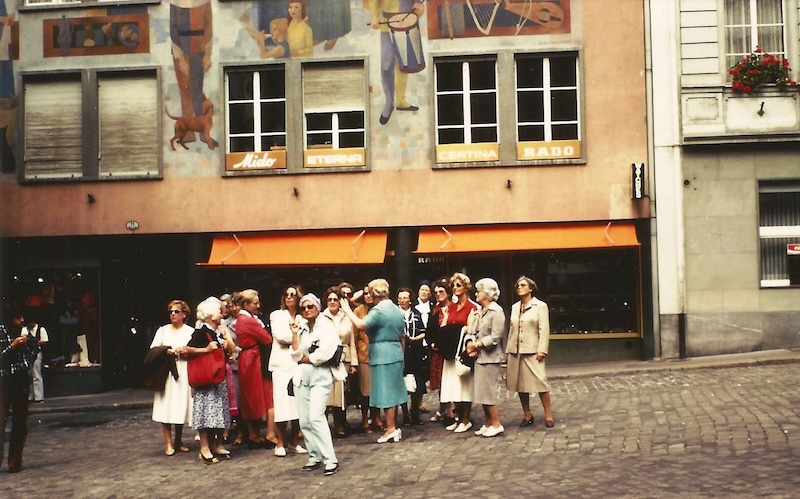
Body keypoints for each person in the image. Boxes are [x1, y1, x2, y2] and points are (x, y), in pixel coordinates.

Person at [341, 278, 406, 444]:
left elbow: (361, 324)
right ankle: (394, 427)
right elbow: (402, 335)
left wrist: (347, 310)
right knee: (394, 391)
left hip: (381, 353)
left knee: (386, 392)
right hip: (395, 351)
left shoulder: (378, 311)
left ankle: (391, 429)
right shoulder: (395, 308)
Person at [290, 293, 343, 476]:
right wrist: (294, 334)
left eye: (310, 306)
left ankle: (330, 459)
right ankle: (314, 455)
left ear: (317, 307)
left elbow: (324, 354)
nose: (306, 310)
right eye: (303, 308)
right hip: (302, 375)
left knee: (316, 416)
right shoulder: (302, 328)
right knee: (304, 420)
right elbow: (295, 354)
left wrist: (306, 358)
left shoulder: (326, 326)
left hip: (320, 375)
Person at [184, 298, 236, 464]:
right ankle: (205, 448)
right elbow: (186, 350)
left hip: (218, 379)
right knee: (205, 415)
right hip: (206, 380)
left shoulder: (217, 331)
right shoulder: (201, 332)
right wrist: (206, 350)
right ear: (212, 315)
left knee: (219, 414)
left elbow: (231, 349)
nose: (222, 314)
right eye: (219, 311)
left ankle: (216, 445)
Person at [507, 276, 554, 428]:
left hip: (533, 350)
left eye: (523, 285)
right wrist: (509, 351)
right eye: (517, 285)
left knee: (541, 382)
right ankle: (527, 414)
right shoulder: (515, 307)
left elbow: (544, 329)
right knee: (520, 384)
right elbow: (511, 330)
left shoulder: (540, 306)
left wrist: (542, 350)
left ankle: (548, 414)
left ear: (531, 288)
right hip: (516, 351)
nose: (519, 287)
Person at [369, 0, 425, 125]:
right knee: (386, 65)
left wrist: (420, 8)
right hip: (386, 22)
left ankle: (400, 100)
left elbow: (419, 4)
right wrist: (374, 16)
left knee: (404, 63)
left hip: (407, 21)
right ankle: (389, 102)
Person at [149, 300, 194, 456]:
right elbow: (153, 349)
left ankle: (178, 440)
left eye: (176, 311)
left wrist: (186, 351)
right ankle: (168, 442)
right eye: (171, 312)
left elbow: (195, 349)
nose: (173, 314)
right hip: (166, 371)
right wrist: (165, 351)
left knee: (180, 405)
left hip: (183, 370)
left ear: (184, 314)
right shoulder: (163, 330)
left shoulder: (190, 331)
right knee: (166, 405)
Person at [268, 285, 308, 457]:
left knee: (298, 403)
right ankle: (280, 443)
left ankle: (294, 442)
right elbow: (281, 336)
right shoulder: (277, 315)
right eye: (287, 294)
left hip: (298, 363)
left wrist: (296, 336)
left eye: (293, 294)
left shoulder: (303, 317)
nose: (289, 297)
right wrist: (296, 336)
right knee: (282, 403)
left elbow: (307, 339)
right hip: (282, 365)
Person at [465, 278, 506, 437]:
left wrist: (477, 345)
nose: (476, 293)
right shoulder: (478, 311)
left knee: (488, 392)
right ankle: (488, 422)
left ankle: (496, 423)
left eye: (479, 291)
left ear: (488, 293)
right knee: (481, 392)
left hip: (490, 358)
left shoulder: (496, 312)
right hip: (478, 358)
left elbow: (496, 337)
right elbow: (471, 331)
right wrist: (470, 343)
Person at [236, 289, 276, 448]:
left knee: (250, 396)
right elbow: (267, 339)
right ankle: (254, 434)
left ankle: (253, 433)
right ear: (246, 304)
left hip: (248, 357)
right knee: (254, 395)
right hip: (252, 359)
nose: (258, 306)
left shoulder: (244, 318)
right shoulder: (248, 320)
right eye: (255, 303)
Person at [439, 273, 477, 433]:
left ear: (466, 287)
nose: (455, 288)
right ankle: (458, 418)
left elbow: (470, 329)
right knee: (453, 386)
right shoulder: (451, 307)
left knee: (464, 386)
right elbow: (443, 327)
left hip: (462, 352)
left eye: (458, 285)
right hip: (450, 350)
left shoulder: (472, 307)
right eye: (453, 285)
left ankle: (466, 419)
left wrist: (457, 329)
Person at [1, 313, 35, 473]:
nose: (21, 320)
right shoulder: (2, 330)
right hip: (3, 378)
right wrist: (12, 346)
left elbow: (35, 348)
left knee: (20, 421)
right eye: (17, 317)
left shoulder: (24, 330)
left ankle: (15, 462)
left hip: (20, 378)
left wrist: (28, 359)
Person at [322, 286, 357, 438]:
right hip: (327, 359)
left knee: (342, 393)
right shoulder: (321, 318)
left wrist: (354, 363)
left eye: (335, 299)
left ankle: (340, 425)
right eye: (329, 299)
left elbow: (352, 341)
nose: (332, 302)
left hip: (344, 358)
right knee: (326, 393)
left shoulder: (346, 317)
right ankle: (323, 427)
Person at [351, 284, 382, 433]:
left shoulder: (380, 309)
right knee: (365, 392)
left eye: (370, 293)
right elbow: (354, 336)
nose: (368, 296)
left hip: (379, 354)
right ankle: (365, 420)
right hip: (364, 355)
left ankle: (376, 417)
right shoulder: (358, 311)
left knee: (378, 390)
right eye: (365, 294)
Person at [397, 288, 427, 426]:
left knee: (418, 383)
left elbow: (424, 332)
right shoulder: (395, 314)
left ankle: (415, 413)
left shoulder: (416, 313)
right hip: (401, 351)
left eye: (405, 298)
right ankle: (405, 415)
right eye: (400, 298)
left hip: (416, 351)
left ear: (410, 299)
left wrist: (415, 339)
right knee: (402, 383)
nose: (402, 300)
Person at [426, 279, 454, 424]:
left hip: (450, 351)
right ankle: (443, 409)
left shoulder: (454, 308)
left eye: (441, 291)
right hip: (437, 352)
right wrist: (431, 343)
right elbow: (429, 330)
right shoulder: (434, 310)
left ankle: (451, 411)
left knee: (451, 381)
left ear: (448, 293)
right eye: (435, 292)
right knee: (440, 383)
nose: (438, 294)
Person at [20, 312, 48, 403]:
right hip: (27, 353)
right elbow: (23, 338)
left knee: (36, 373)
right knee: (29, 374)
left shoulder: (41, 329)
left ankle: (39, 397)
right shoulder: (25, 329)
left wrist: (34, 342)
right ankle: (30, 396)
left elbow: (45, 341)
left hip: (37, 352)